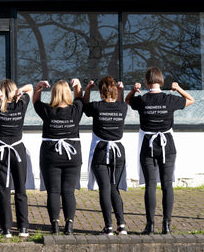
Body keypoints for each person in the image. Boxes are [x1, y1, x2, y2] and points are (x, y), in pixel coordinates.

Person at [125, 67, 194, 235]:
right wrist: (178, 89)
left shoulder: (142, 100)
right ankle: (167, 225)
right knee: (167, 185)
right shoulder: (169, 99)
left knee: (150, 185)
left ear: (147, 81)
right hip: (167, 146)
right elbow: (191, 100)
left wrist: (134, 90)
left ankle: (150, 226)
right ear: (161, 80)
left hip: (148, 146)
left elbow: (128, 101)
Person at [33, 79, 83, 235]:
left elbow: (35, 102)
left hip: (50, 156)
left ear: (53, 94)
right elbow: (80, 98)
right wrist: (77, 86)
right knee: (68, 191)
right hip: (72, 156)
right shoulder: (76, 110)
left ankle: (54, 225)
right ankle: (69, 225)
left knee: (53, 192)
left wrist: (39, 87)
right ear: (68, 93)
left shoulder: (47, 111)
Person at [0, 79, 33, 238]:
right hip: (18, 151)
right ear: (14, 91)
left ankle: (6, 229)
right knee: (21, 190)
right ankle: (23, 228)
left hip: (0, 152)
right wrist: (21, 89)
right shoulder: (21, 104)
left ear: (1, 92)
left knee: (3, 191)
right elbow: (31, 87)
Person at [83, 77, 128, 235]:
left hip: (101, 151)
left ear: (101, 91)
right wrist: (121, 91)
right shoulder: (123, 107)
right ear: (115, 90)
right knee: (114, 188)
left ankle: (108, 226)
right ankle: (121, 225)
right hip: (118, 152)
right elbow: (120, 102)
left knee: (104, 188)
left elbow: (84, 105)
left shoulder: (96, 107)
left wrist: (87, 89)